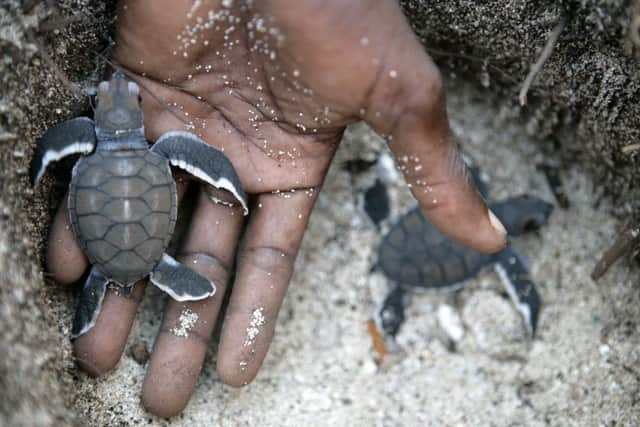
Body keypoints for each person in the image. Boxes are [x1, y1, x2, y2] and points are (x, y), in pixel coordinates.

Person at [47, 0, 507, 418]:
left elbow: (57, 148)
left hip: (110, 199)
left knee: (102, 273)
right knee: (143, 252)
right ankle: (153, 272)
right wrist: (225, 178)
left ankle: (121, 277)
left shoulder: (90, 139)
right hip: (147, 218)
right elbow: (197, 158)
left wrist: (41, 162)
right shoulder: (165, 146)